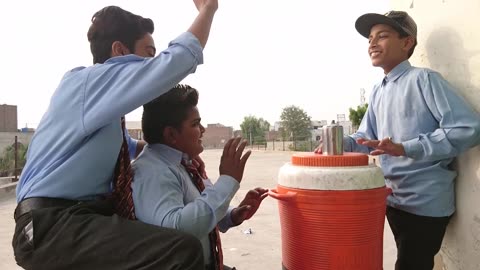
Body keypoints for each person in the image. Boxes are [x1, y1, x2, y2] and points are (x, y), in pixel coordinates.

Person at [12, 1, 220, 269]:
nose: (151, 65)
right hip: (49, 225)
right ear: (120, 51)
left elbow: (134, 146)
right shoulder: (86, 83)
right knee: (181, 250)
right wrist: (208, 11)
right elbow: (174, 63)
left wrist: (178, 147)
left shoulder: (105, 115)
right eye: (148, 54)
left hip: (75, 218)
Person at [317, 10, 480, 270]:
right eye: (370, 38)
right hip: (393, 199)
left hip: (425, 203)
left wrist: (406, 148)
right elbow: (365, 137)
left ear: (407, 42)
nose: (372, 43)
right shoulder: (378, 90)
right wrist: (340, 144)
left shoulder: (424, 80)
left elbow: (468, 128)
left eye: (382, 36)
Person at [132, 84, 268, 270]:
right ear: (171, 134)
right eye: (195, 124)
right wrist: (227, 182)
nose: (202, 130)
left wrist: (233, 215)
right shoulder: (153, 171)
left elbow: (202, 213)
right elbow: (179, 230)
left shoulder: (186, 164)